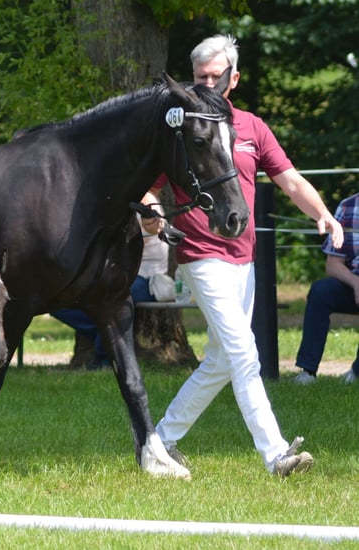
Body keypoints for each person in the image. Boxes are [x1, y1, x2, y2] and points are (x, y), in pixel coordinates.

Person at [145, 34, 344, 477]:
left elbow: (289, 180)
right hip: (200, 254)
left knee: (220, 360)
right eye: (201, 77)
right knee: (243, 351)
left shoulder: (253, 127)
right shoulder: (182, 127)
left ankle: (159, 441)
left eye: (217, 76)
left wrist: (324, 214)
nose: (209, 84)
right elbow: (151, 187)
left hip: (244, 257)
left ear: (234, 78)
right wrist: (155, 217)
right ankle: (276, 455)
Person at [52, 193, 170, 369]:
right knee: (56, 302)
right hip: (125, 275)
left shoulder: (148, 208)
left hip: (147, 279)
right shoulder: (125, 201)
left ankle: (104, 359)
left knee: (110, 299)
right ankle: (104, 334)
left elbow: (129, 248)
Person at [292, 192, 359, 384]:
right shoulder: (348, 206)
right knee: (321, 291)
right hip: (353, 281)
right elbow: (333, 264)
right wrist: (355, 283)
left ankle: (357, 373)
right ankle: (307, 371)